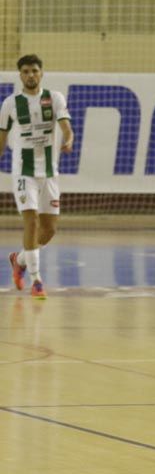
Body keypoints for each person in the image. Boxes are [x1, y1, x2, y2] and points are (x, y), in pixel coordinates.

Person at [1, 54, 73, 301]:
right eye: (25, 72)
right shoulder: (10, 103)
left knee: (49, 230)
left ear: (41, 73)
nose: (30, 75)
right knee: (30, 221)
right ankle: (36, 281)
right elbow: (1, 138)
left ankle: (18, 259)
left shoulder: (54, 98)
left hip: (50, 173)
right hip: (24, 171)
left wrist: (70, 138)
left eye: (34, 71)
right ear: (20, 75)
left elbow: (65, 125)